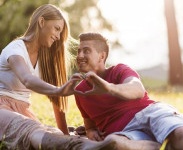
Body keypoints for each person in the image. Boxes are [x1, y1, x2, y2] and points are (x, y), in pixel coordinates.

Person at [0, 4, 115, 150]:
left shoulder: (45, 57)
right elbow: (27, 79)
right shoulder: (15, 49)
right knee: (31, 130)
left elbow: (57, 101)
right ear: (41, 22)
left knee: (53, 132)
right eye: (57, 29)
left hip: (22, 110)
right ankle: (88, 147)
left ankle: (86, 144)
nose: (58, 36)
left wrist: (64, 132)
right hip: (1, 106)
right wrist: (58, 90)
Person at [72, 32, 183, 150]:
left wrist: (108, 87)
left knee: (178, 131)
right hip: (125, 133)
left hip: (150, 113)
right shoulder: (80, 91)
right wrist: (90, 131)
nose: (80, 56)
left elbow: (137, 89)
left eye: (86, 51)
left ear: (102, 56)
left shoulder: (119, 70)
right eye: (79, 51)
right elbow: (89, 125)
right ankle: (163, 146)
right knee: (112, 142)